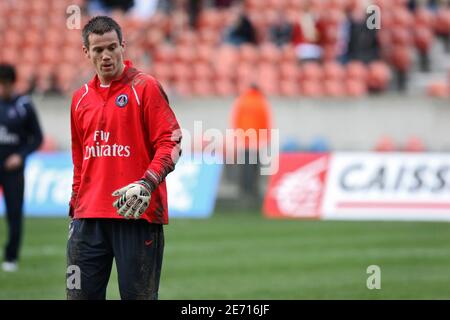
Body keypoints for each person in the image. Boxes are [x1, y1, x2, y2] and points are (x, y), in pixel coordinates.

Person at [67, 16, 182, 300]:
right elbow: (80, 161)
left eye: (112, 47)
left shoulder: (145, 87)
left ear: (123, 46)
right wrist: (74, 207)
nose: (106, 56)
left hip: (136, 214)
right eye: (98, 50)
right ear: (86, 52)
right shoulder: (79, 99)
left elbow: (172, 142)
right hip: (87, 220)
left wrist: (147, 183)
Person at [0, 63, 43, 272]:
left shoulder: (24, 105)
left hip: (13, 169)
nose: (1, 89)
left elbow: (38, 137)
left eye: (4, 85)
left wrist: (20, 155)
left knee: (14, 213)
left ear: (12, 84)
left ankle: (11, 257)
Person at [230, 84, 272, 207]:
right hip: (257, 141)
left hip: (244, 140)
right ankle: (254, 191)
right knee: (255, 167)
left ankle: (243, 192)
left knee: (244, 167)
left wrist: (237, 136)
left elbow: (236, 120)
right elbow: (266, 121)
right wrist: (266, 138)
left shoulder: (241, 101)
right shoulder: (262, 102)